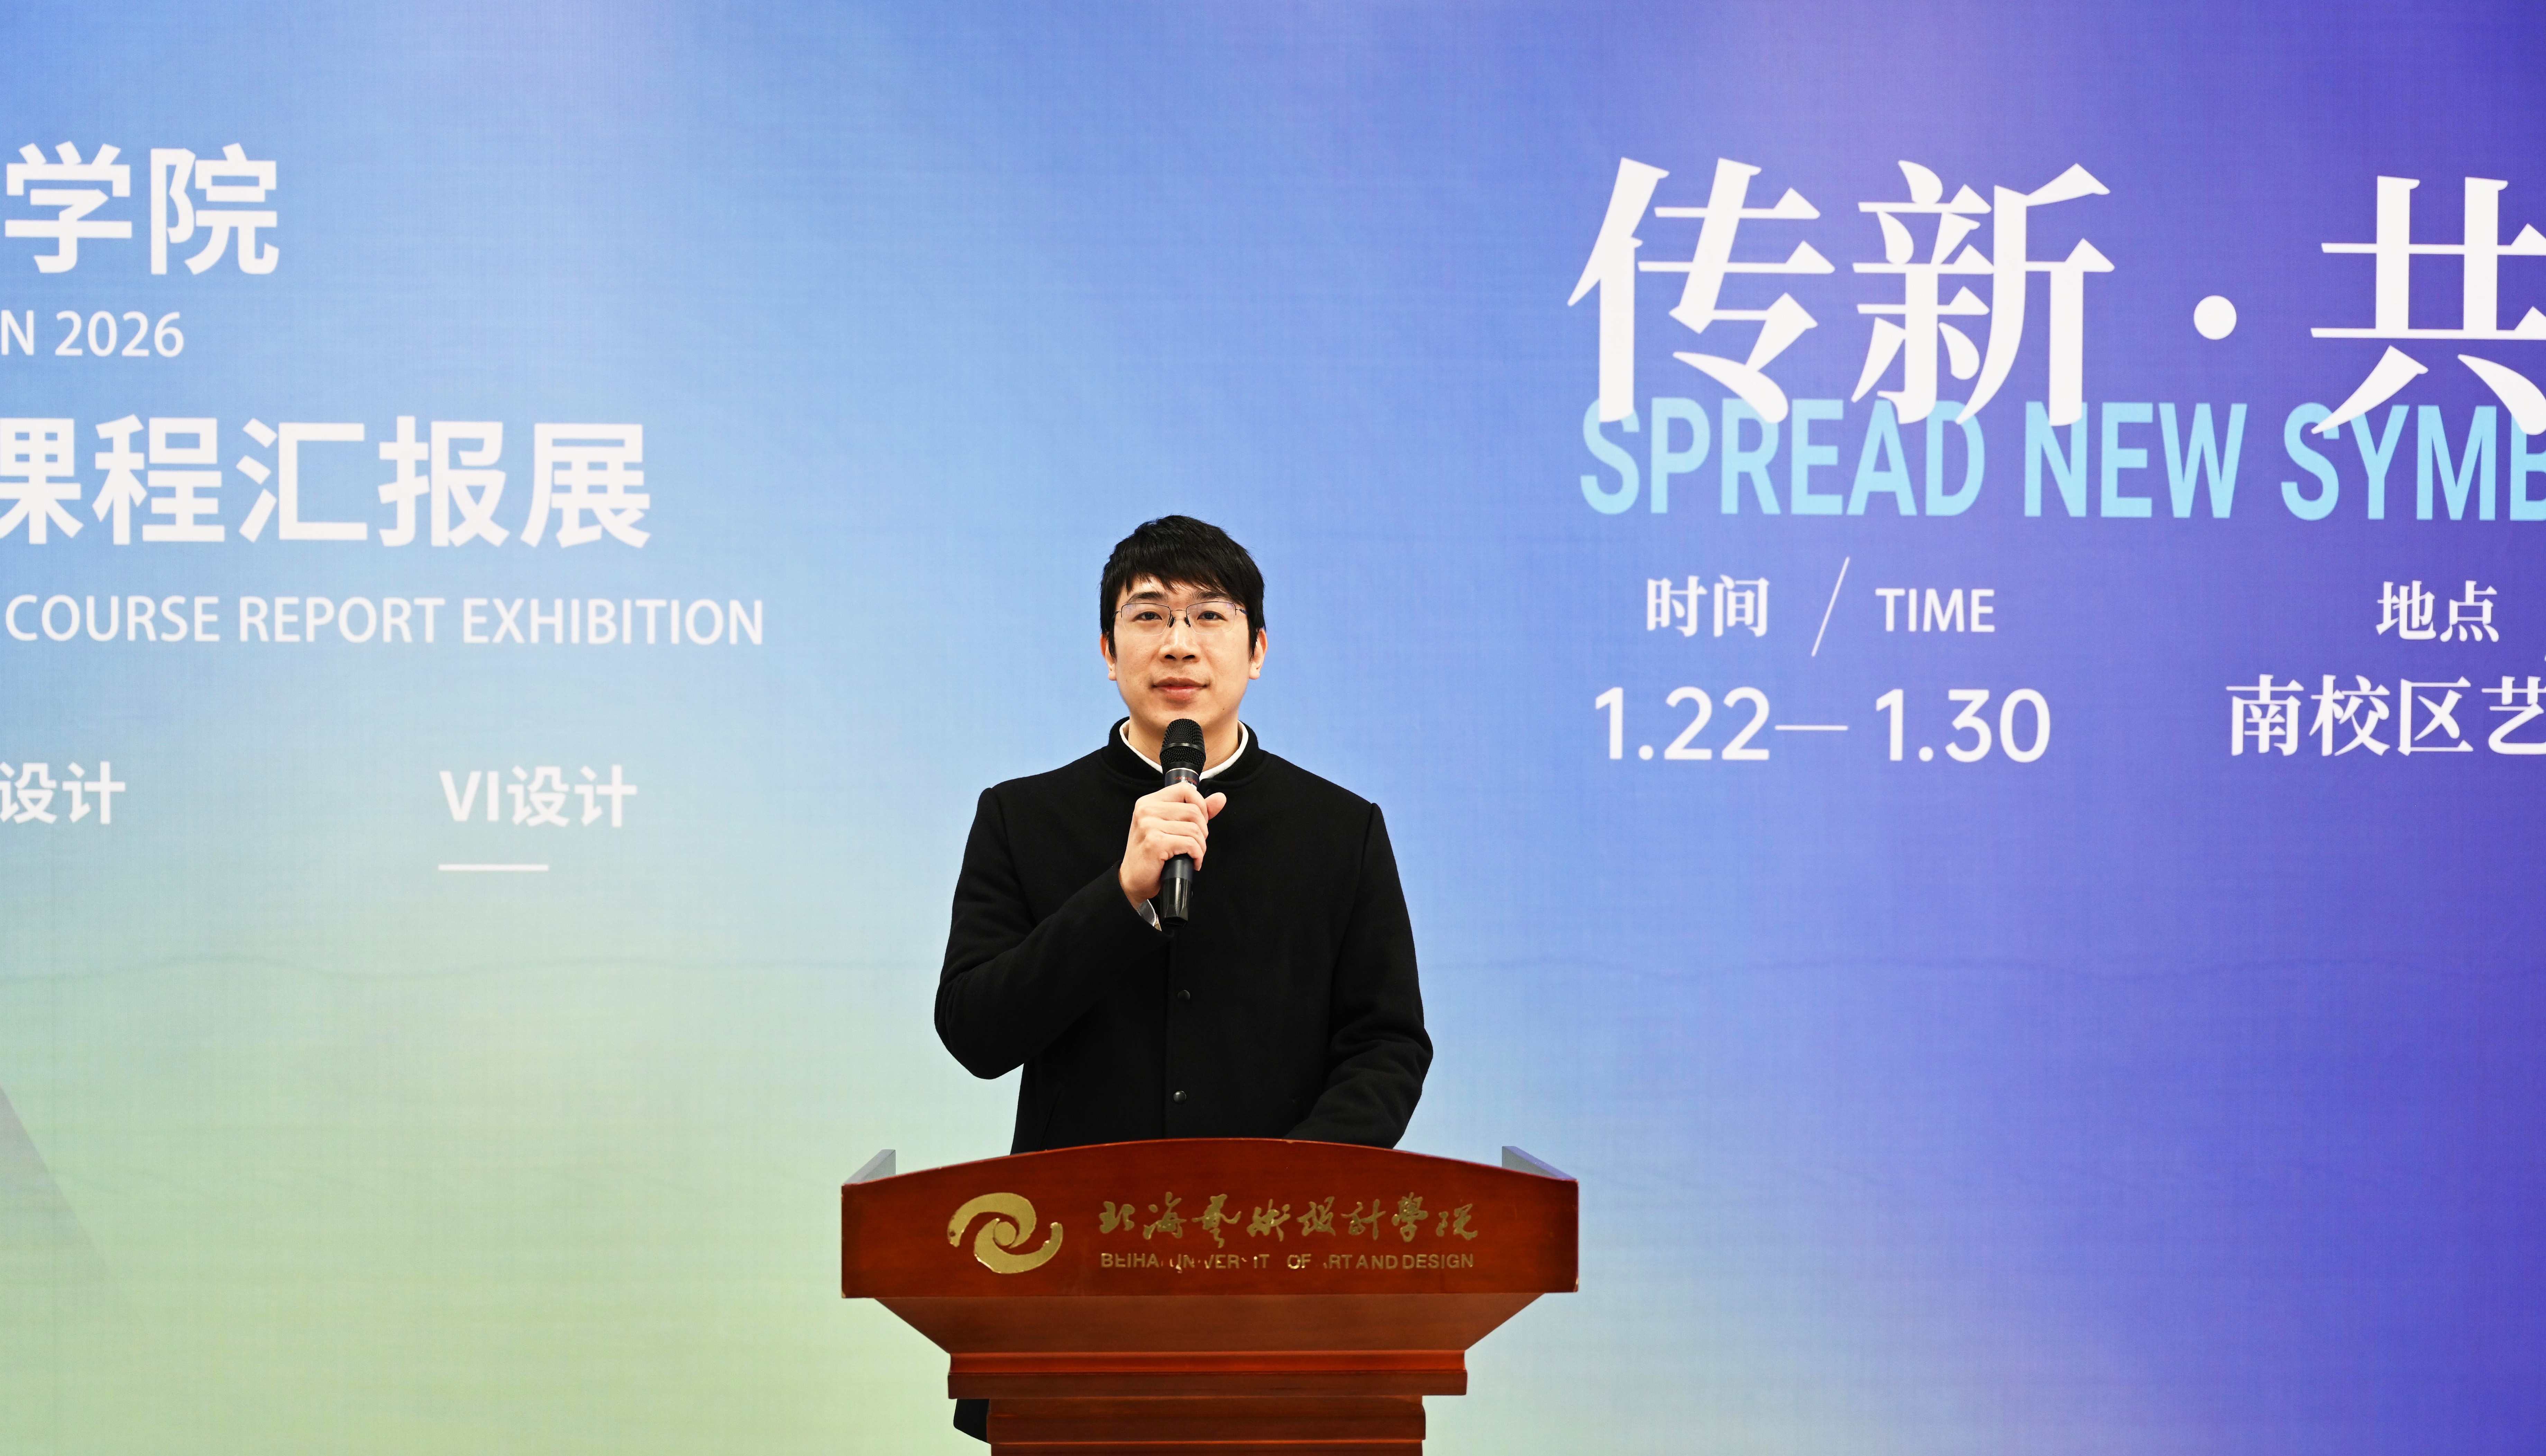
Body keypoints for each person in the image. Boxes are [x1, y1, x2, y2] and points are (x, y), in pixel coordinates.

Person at [934, 515, 1432, 1442]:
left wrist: (1282, 1189)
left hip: (1283, 1278)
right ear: (1107, 650)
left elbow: (1388, 1043)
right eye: (1149, 615)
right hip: (1072, 1281)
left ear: (1257, 650)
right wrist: (1119, 894)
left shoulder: (1341, 829)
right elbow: (975, 1029)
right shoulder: (1020, 817)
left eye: (1209, 615)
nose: (1178, 643)